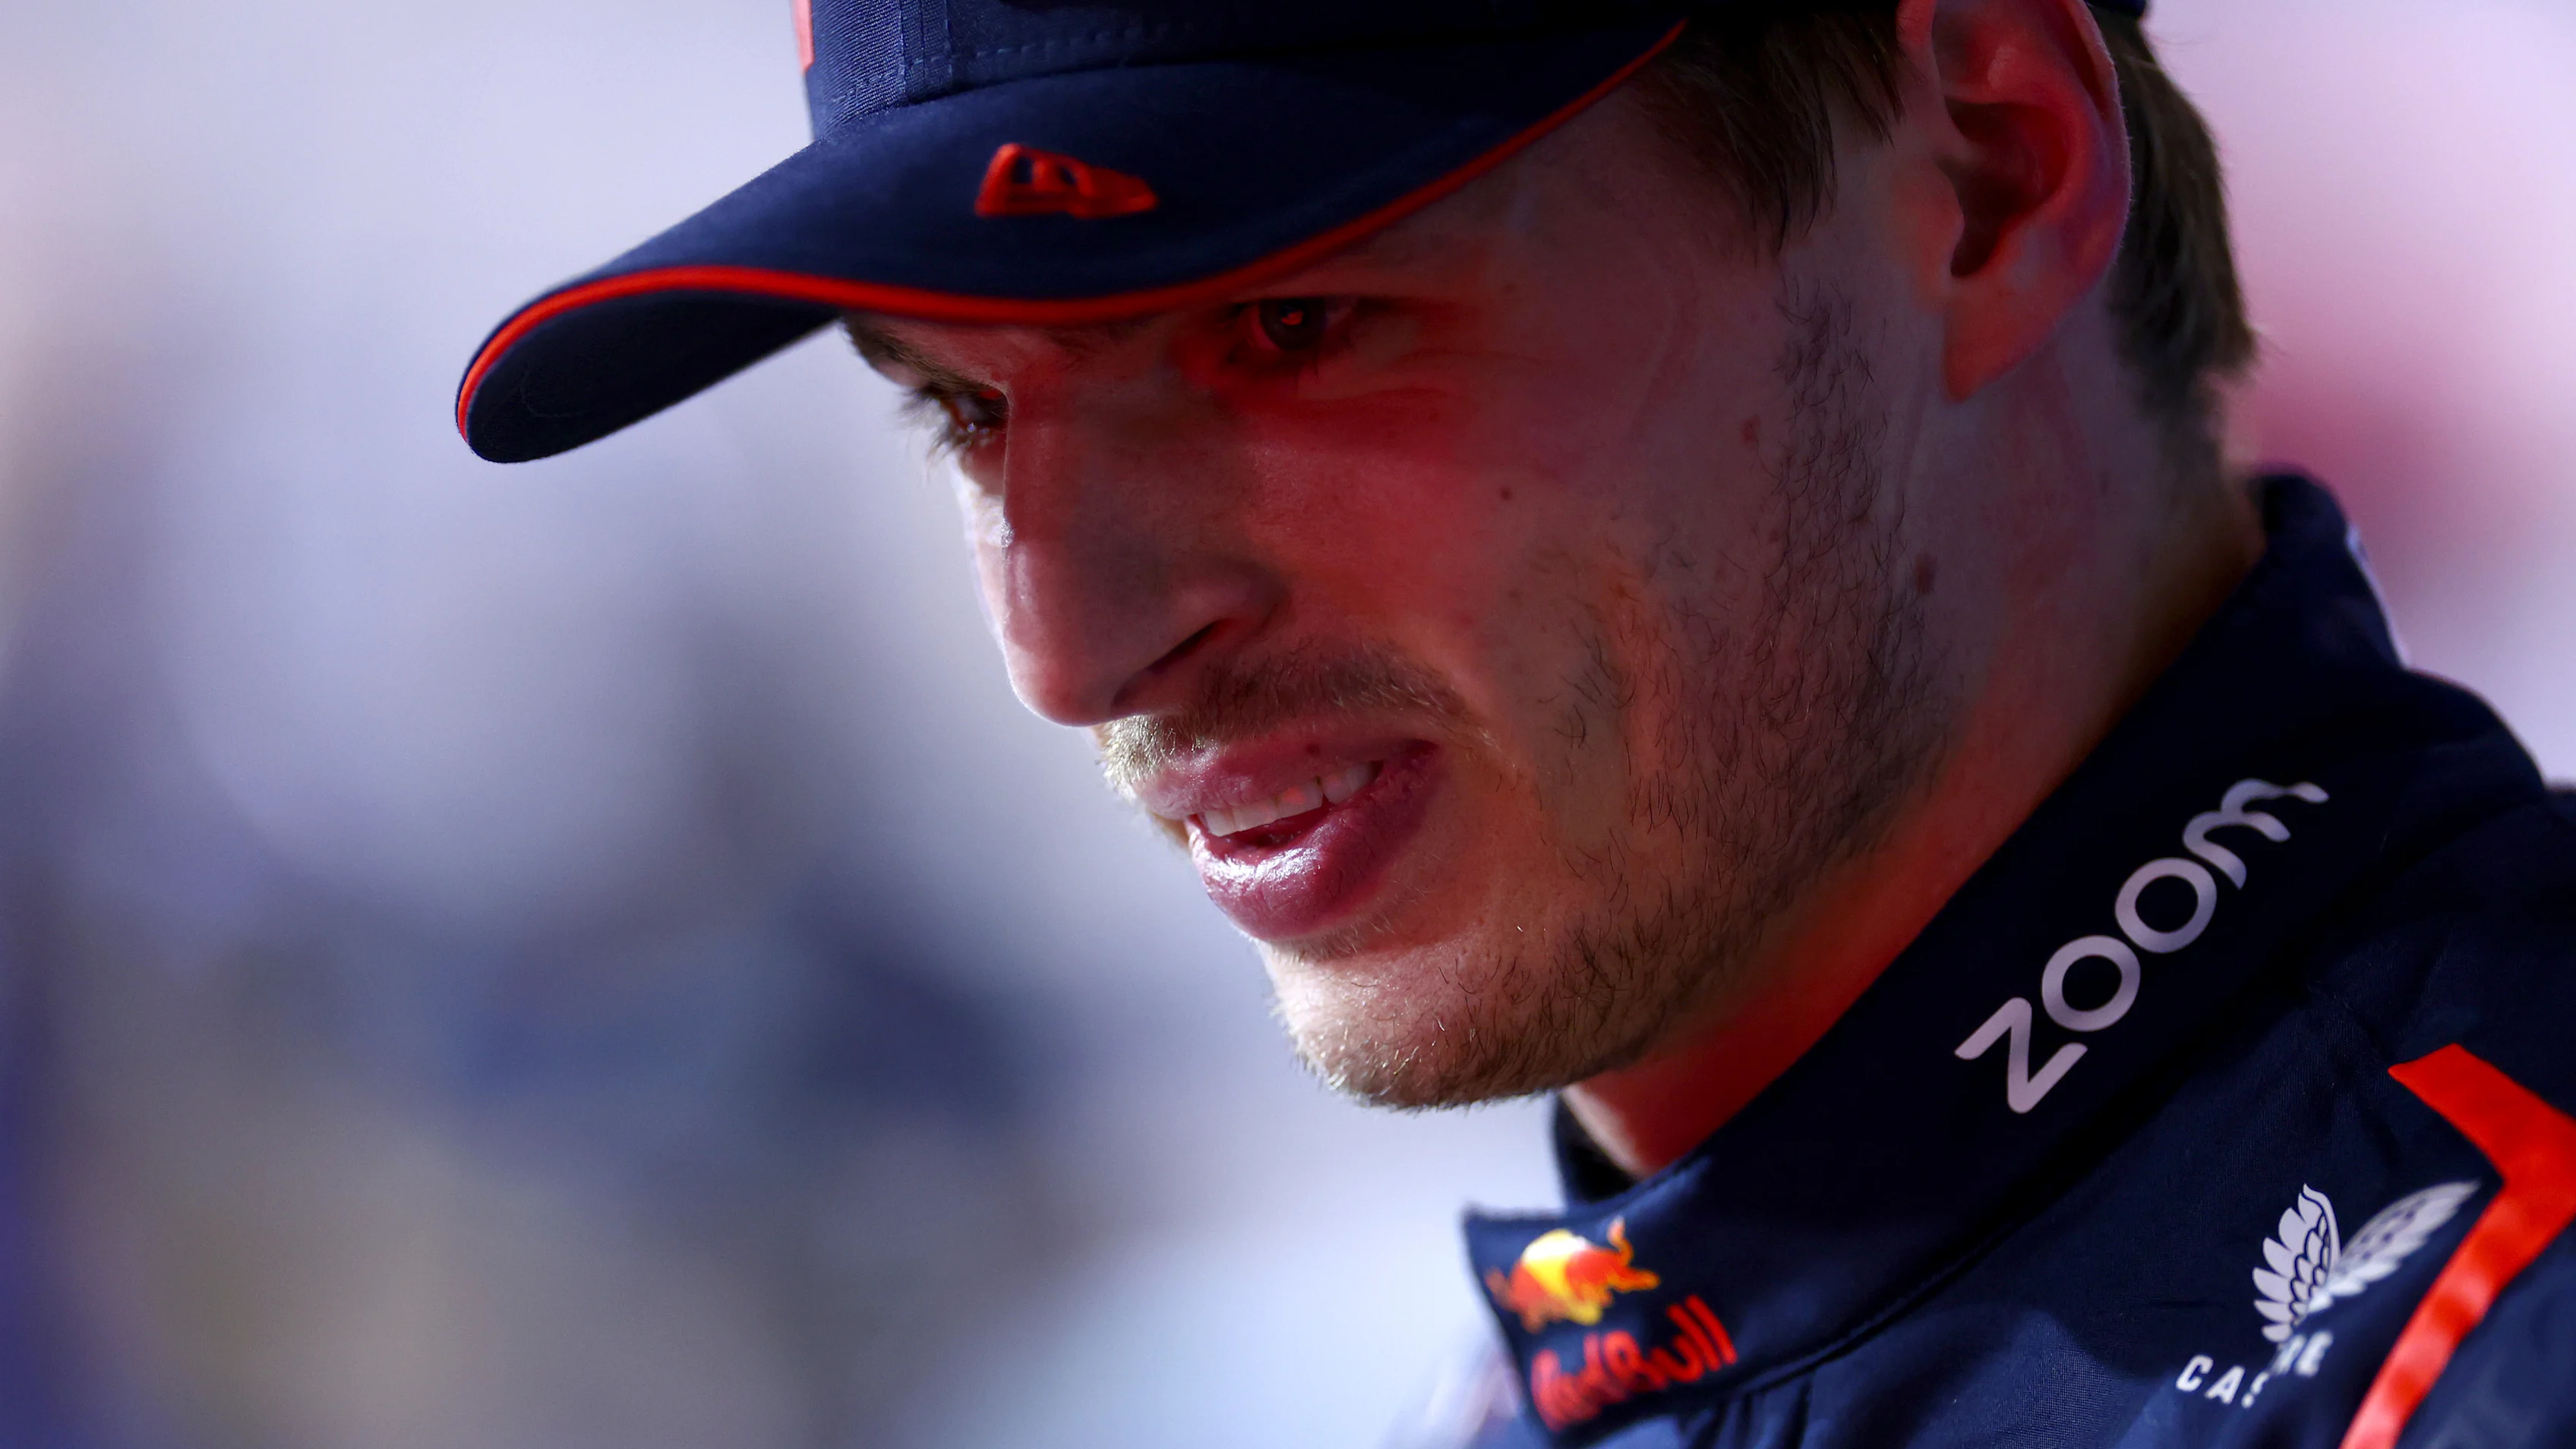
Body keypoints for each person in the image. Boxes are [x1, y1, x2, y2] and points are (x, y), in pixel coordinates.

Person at [455, 1, 2576, 1443]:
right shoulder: (1589, 1341)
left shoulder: (2499, 1331)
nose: (1074, 645)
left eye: (1292, 324)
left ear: (1990, 178)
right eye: (969, 409)